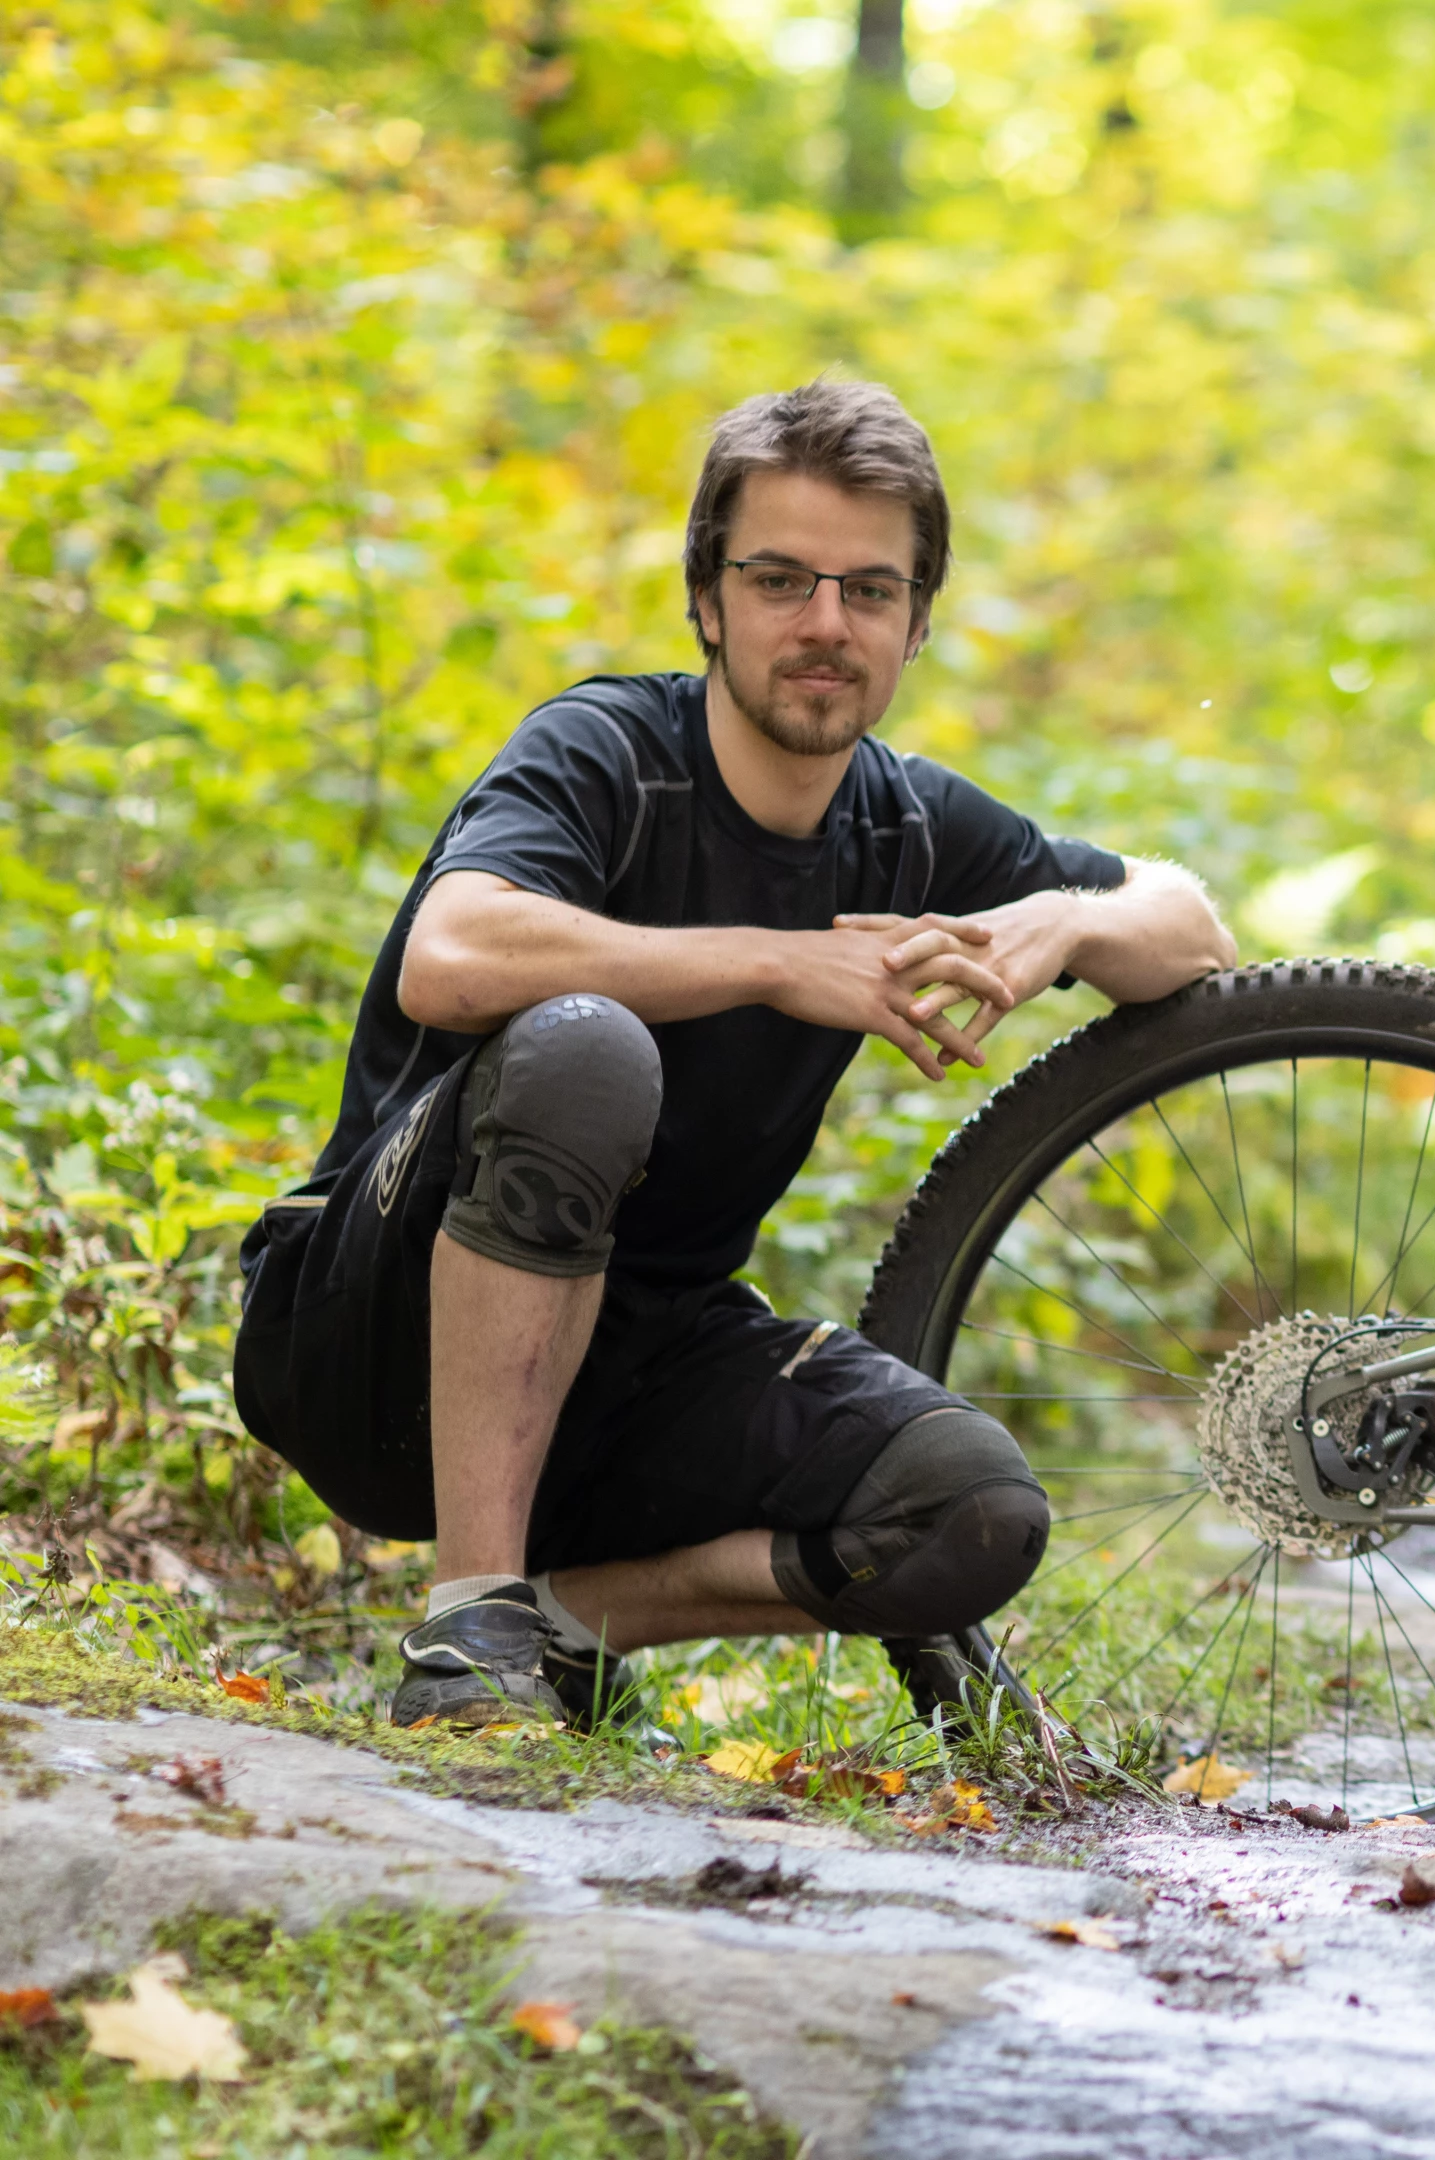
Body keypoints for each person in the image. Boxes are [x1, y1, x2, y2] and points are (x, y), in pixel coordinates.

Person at [233, 379, 1236, 1728]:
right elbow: (452, 954)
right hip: (370, 1342)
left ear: (917, 623)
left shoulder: (899, 823)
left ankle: (558, 1625)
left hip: (630, 1376)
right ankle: (467, 1631)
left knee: (970, 1512)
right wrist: (776, 960)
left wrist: (1060, 920)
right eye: (780, 579)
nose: (825, 624)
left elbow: (1192, 931)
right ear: (708, 599)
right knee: (589, 1050)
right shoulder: (607, 752)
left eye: (869, 591)